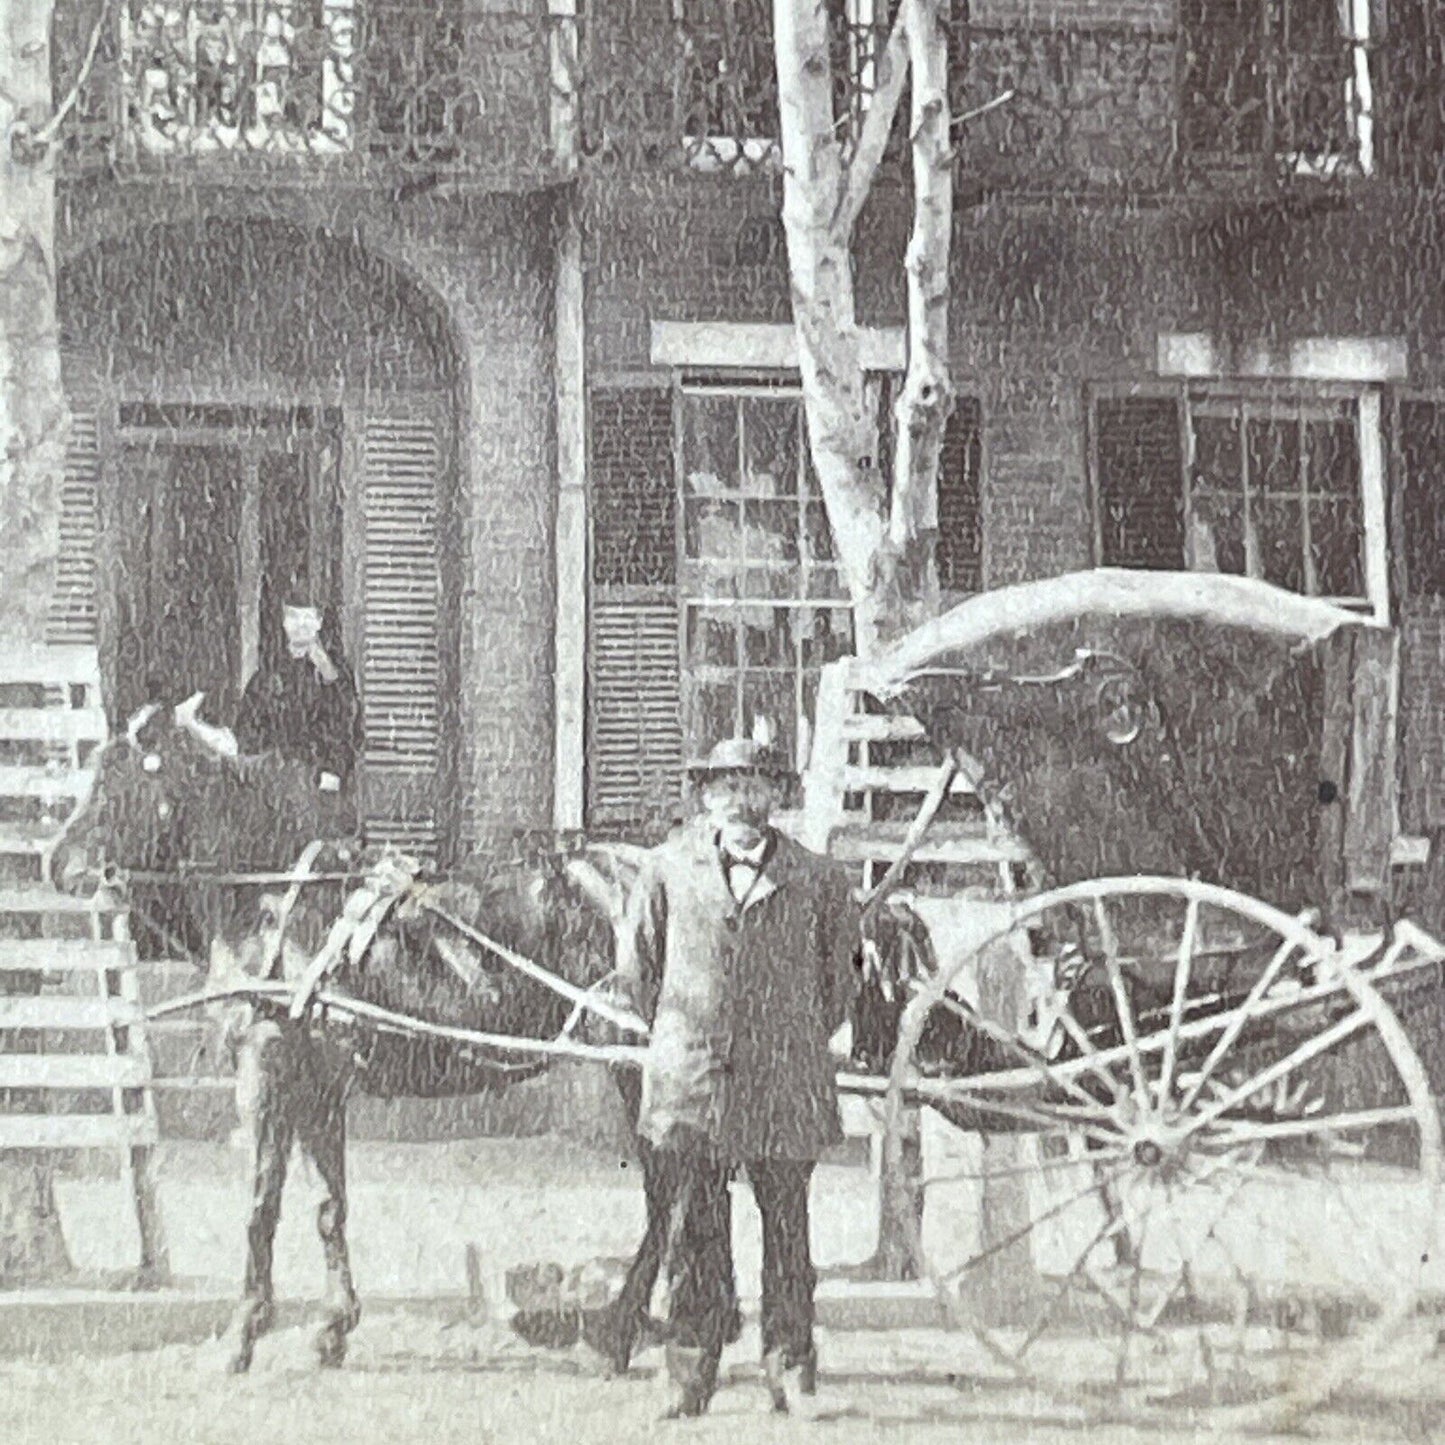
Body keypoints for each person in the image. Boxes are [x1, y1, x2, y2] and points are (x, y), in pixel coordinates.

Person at [615, 732, 862, 1419]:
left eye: (753, 786)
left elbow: (837, 984)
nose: (738, 799)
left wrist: (784, 1032)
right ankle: (688, 1373)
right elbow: (639, 973)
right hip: (693, 1077)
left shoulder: (817, 878)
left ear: (775, 796)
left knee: (787, 1233)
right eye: (724, 786)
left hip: (782, 1077)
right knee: (692, 1232)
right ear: (705, 796)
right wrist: (686, 1032)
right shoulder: (667, 870)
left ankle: (791, 1368)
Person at [175, 599, 364, 840]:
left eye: (308, 617)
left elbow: (345, 723)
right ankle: (190, 721)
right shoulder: (268, 674)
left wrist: (333, 769)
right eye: (294, 617)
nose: (301, 624)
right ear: (285, 622)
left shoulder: (333, 672)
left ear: (319, 623)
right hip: (276, 781)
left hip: (318, 780)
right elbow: (247, 733)